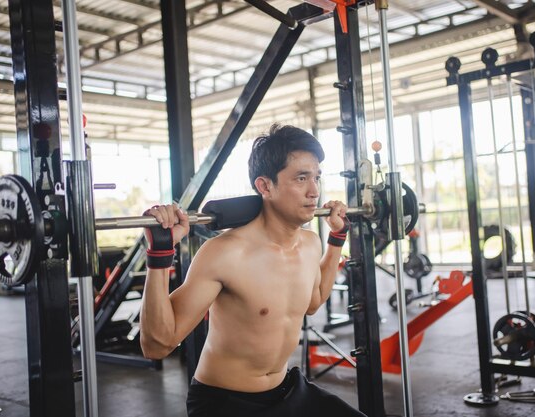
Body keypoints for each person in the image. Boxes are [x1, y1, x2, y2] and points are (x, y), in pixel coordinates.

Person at [140, 124, 366, 417]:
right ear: (265, 186)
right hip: (226, 403)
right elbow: (157, 345)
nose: (314, 192)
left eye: (316, 178)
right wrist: (159, 253)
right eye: (301, 178)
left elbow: (312, 302)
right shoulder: (226, 253)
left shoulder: (310, 243)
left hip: (287, 390)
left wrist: (336, 239)